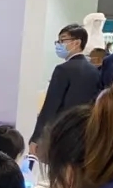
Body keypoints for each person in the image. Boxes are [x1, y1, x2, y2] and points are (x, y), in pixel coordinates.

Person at [29, 24, 99, 155]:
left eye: (62, 40)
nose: (58, 44)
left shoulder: (63, 69)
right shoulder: (94, 71)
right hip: (86, 132)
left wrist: (36, 137)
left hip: (63, 131)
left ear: (77, 42)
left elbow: (51, 106)